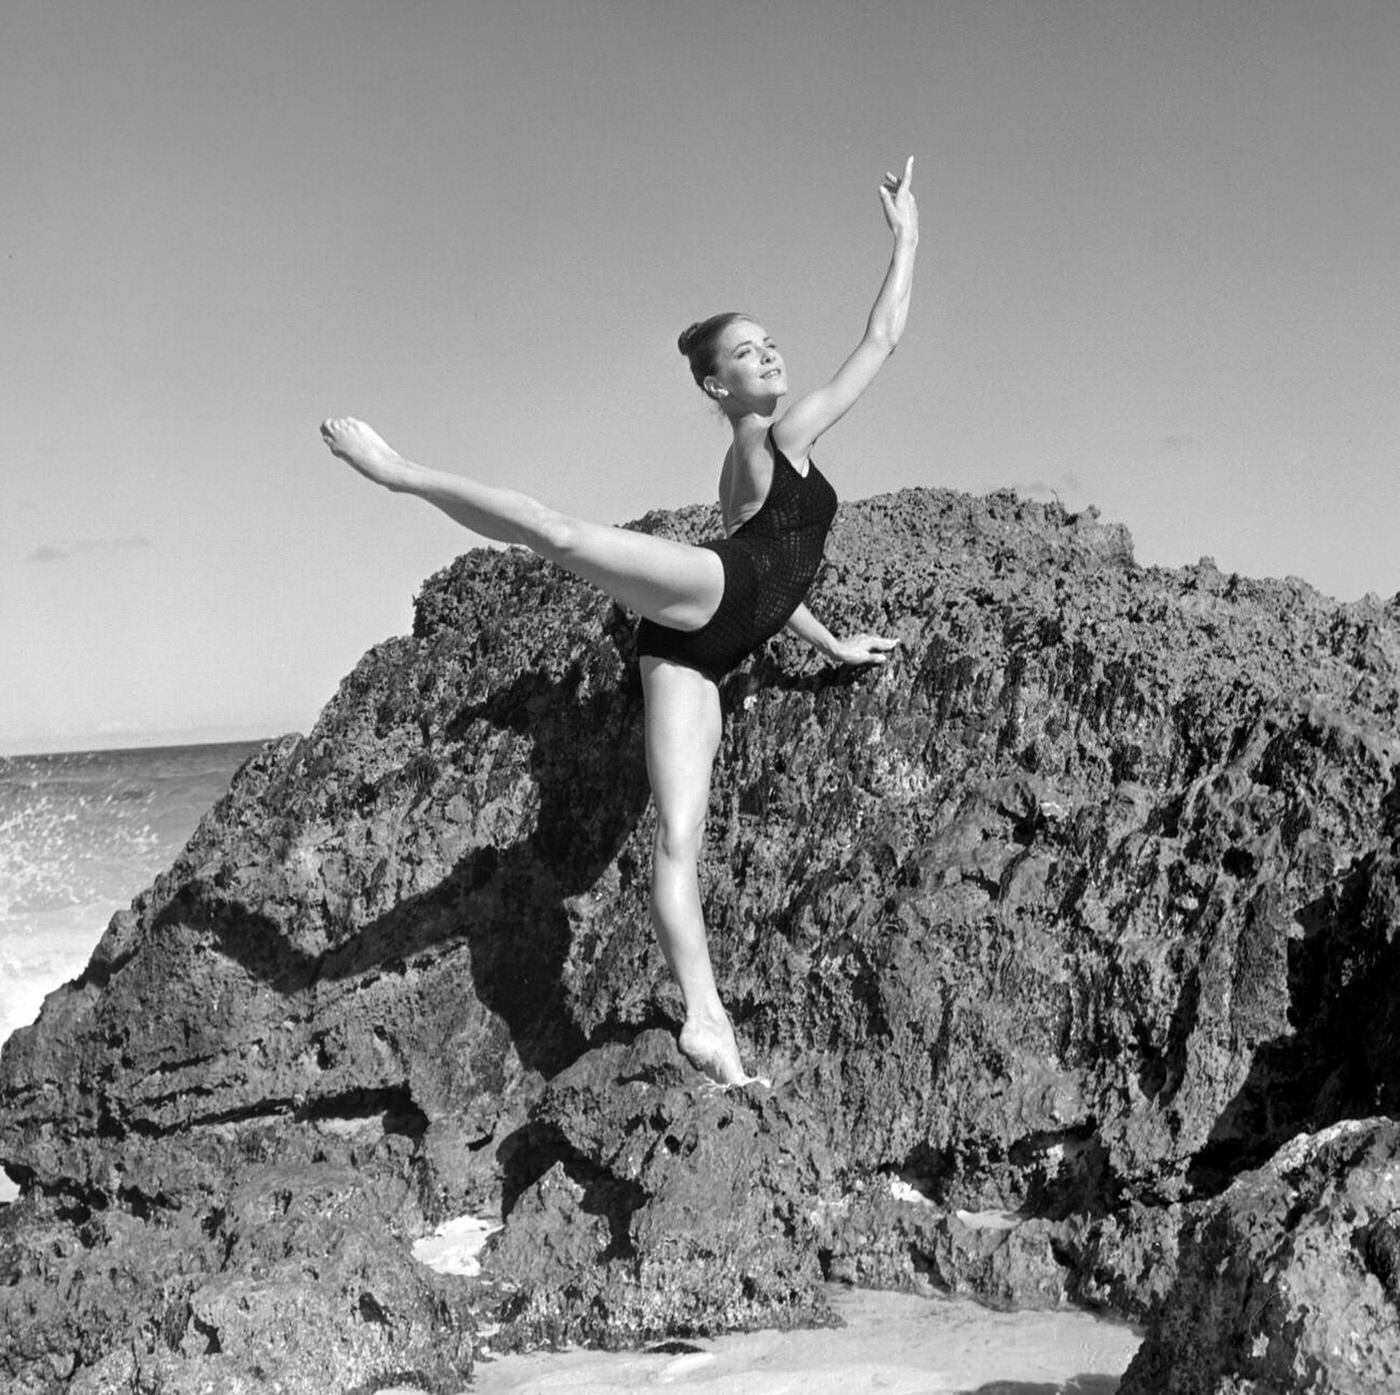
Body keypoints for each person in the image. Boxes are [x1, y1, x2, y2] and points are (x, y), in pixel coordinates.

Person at [320, 158, 918, 1085]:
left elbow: (778, 582)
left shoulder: (747, 467)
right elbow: (882, 338)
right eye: (747, 353)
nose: (770, 355)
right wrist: (907, 233)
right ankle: (400, 471)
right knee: (556, 533)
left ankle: (708, 1021)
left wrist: (833, 641)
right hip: (705, 601)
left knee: (679, 837)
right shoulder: (784, 436)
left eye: (770, 343)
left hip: (695, 649)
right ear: (718, 389)